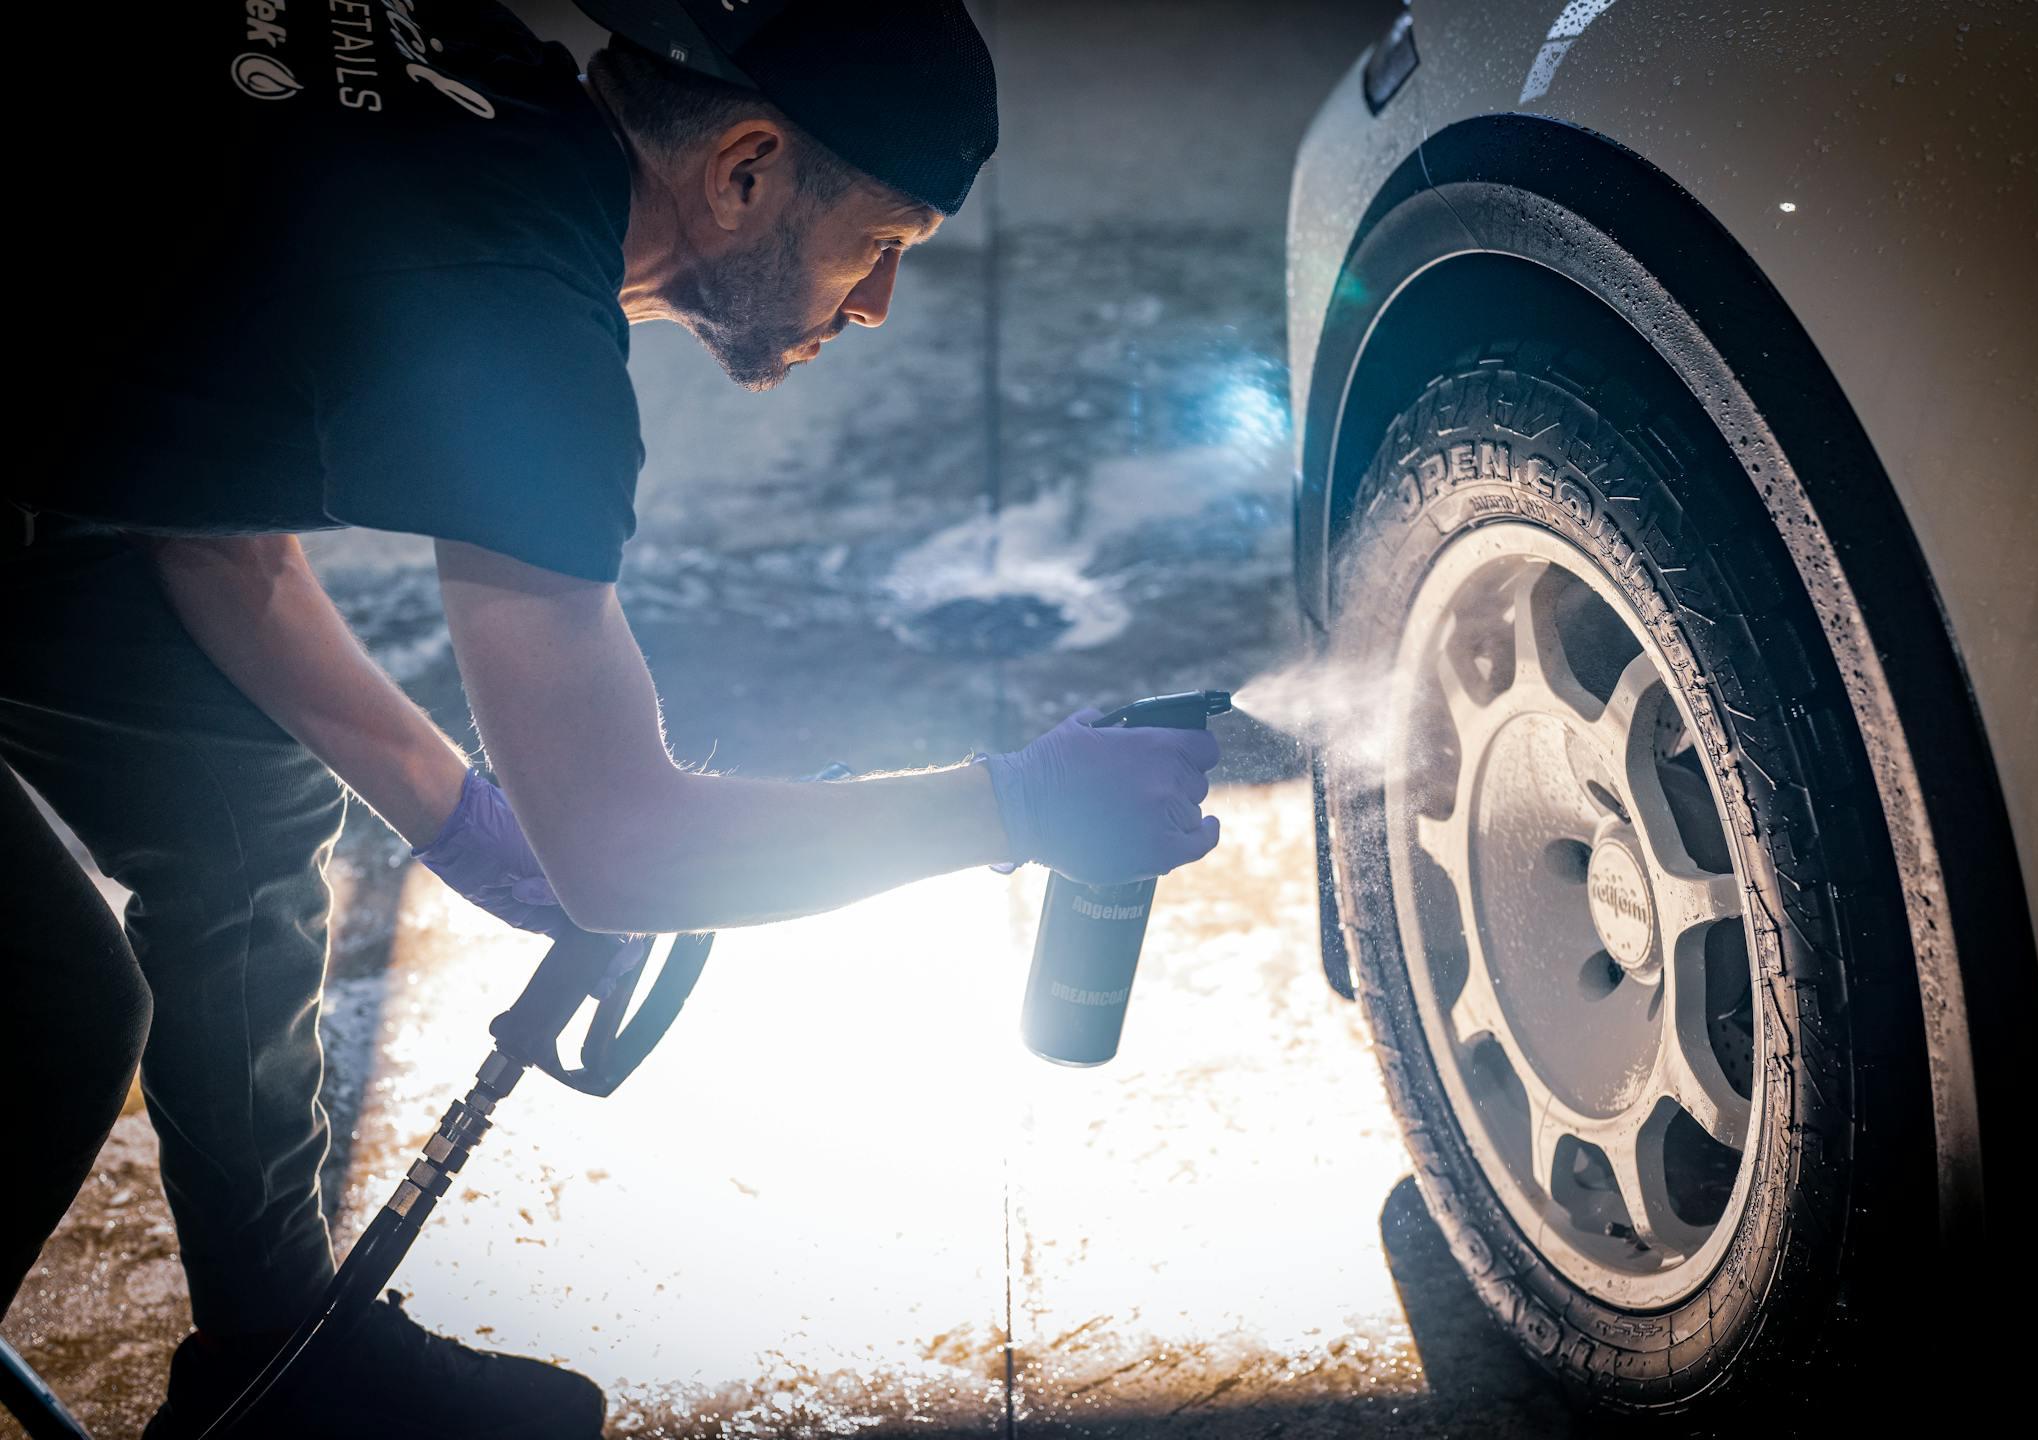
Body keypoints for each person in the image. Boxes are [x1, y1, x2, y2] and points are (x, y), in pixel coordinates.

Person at [0, 2, 1222, 1434]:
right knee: (50, 1015)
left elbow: (208, 516)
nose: (878, 301)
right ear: (748, 168)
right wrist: (1016, 807)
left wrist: (466, 823)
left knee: (242, 799)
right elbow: (628, 851)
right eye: (881, 240)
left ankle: (279, 1364)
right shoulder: (513, 309)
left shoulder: (487, 85)